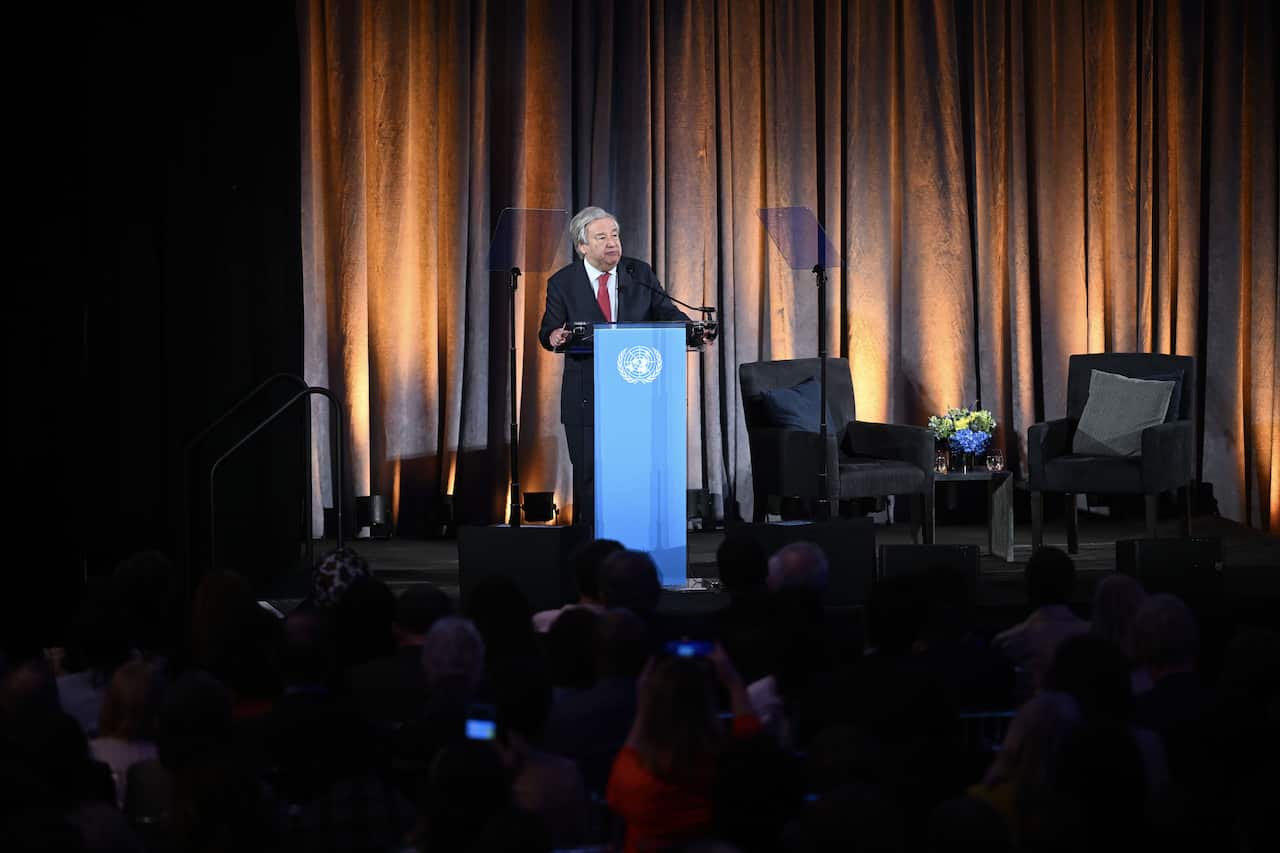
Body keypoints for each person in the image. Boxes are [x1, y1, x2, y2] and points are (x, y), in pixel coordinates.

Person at [539, 206, 706, 531]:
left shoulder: (638, 273)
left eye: (614, 235)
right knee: (589, 476)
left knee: (638, 475)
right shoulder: (563, 282)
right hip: (586, 396)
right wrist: (555, 336)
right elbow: (548, 331)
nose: (612, 243)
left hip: (639, 396)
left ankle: (640, 544)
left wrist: (693, 330)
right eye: (601, 237)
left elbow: (666, 312)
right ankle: (591, 550)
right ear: (582, 246)